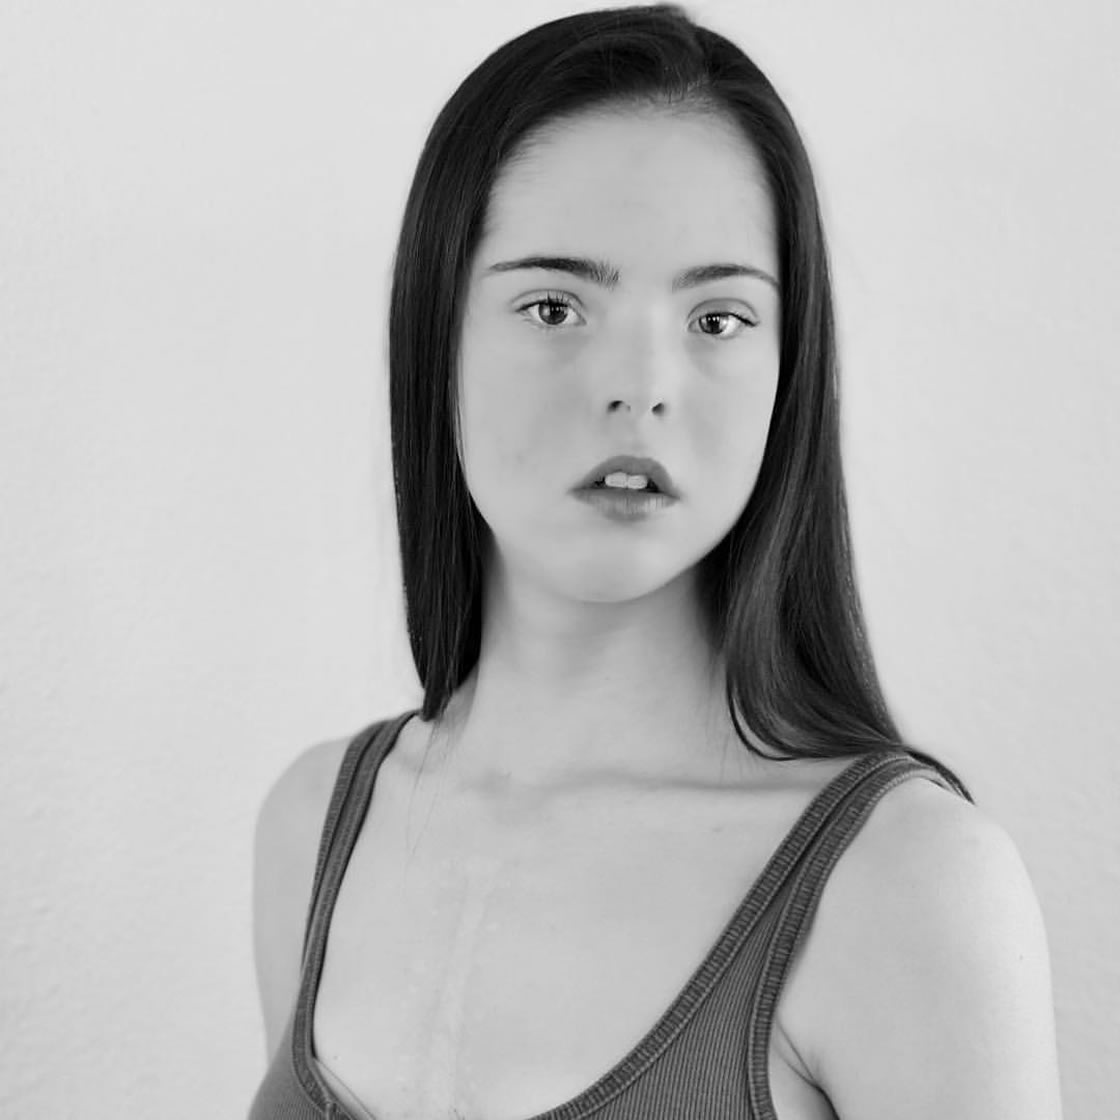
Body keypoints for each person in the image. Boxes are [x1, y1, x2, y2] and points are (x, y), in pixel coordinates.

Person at [248, 5, 1064, 1118]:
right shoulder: (313, 828)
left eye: (718, 319)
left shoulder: (906, 886)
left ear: (788, 369)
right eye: (554, 306)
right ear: (435, 336)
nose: (640, 386)